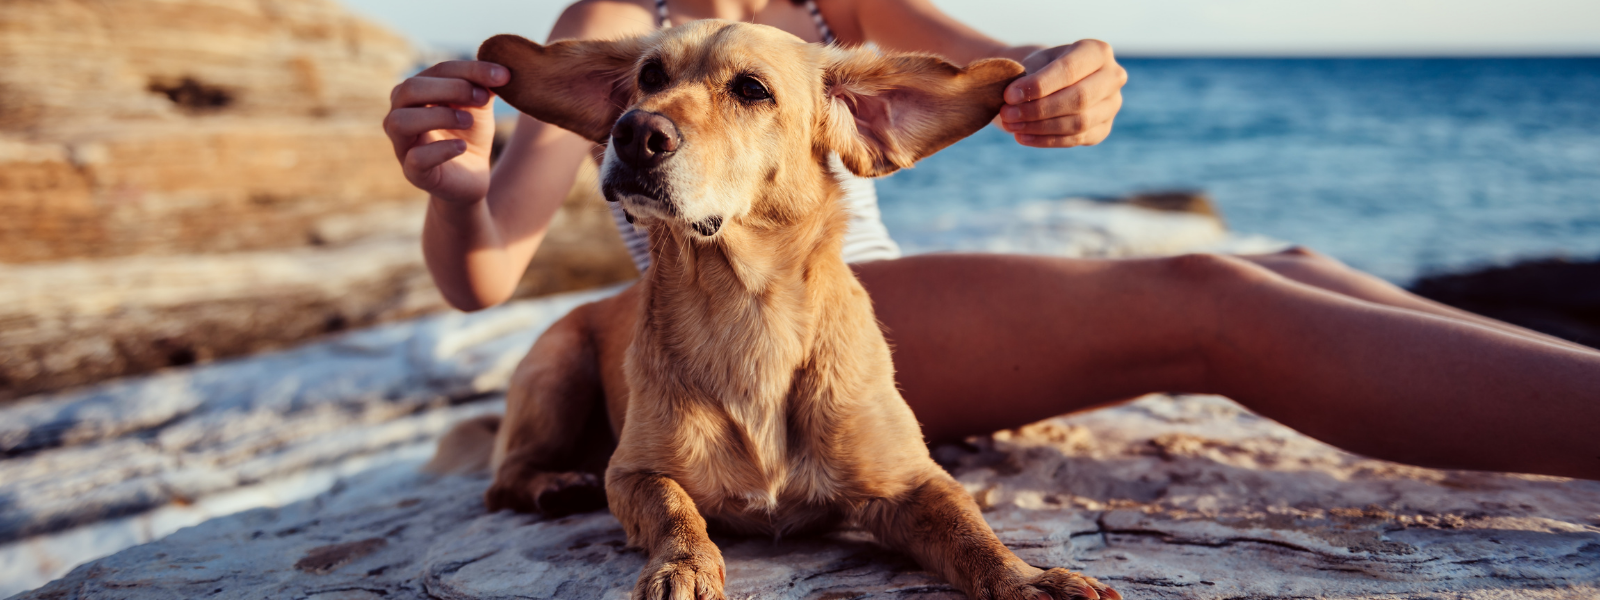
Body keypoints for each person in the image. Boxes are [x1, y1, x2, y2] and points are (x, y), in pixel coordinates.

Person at [383, 0, 1600, 481]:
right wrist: (453, 189)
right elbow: (485, 272)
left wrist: (1082, 80)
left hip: (875, 317)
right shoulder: (613, 26)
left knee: (1283, 268)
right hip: (755, 339)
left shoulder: (836, 8)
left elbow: (1019, 84)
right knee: (1208, 299)